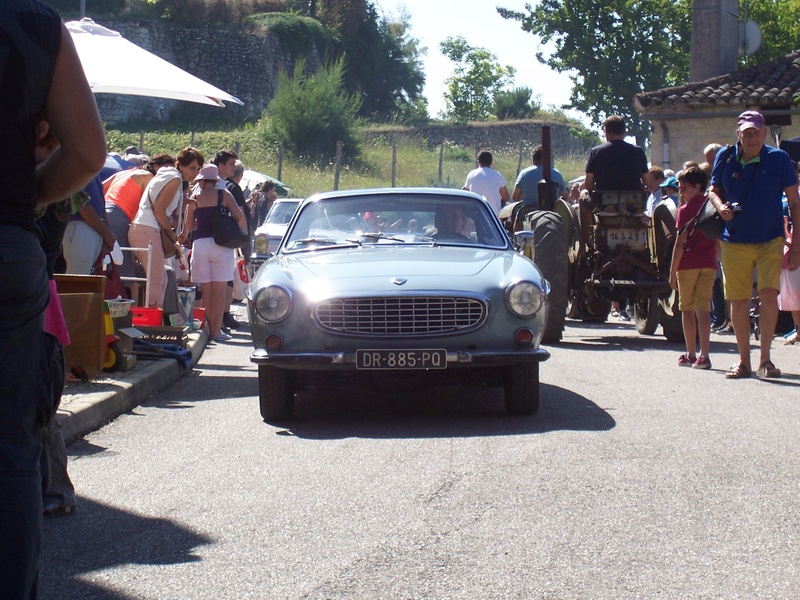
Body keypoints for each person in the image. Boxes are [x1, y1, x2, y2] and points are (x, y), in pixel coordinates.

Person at [1, 2, 106, 597]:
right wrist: (28, 196)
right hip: (7, 244)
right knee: (10, 448)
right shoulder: (34, 21)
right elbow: (89, 154)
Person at [708, 110, 800, 379]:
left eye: (756, 132)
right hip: (734, 239)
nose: (752, 138)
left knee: (769, 294)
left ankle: (766, 360)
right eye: (746, 132)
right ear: (738, 133)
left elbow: (794, 202)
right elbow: (713, 190)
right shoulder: (725, 158)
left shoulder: (779, 159)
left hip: (771, 238)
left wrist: (795, 246)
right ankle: (743, 361)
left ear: (764, 133)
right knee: (738, 300)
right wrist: (720, 206)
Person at [583, 115, 650, 321]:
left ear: (606, 131)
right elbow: (647, 181)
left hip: (606, 213)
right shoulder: (637, 152)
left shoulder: (596, 152)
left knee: (585, 200)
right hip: (634, 211)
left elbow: (588, 184)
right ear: (625, 132)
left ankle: (585, 241)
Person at [178, 164, 247, 342]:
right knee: (219, 291)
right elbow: (239, 216)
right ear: (216, 180)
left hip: (200, 244)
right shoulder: (223, 195)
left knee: (206, 291)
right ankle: (217, 331)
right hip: (221, 245)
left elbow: (188, 228)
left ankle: (207, 329)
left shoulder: (194, 198)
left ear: (201, 181)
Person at [129, 147, 203, 308]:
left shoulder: (169, 176)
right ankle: (153, 319)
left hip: (143, 228)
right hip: (148, 229)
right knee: (157, 279)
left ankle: (154, 317)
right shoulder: (175, 179)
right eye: (192, 168)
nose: (195, 173)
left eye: (198, 169)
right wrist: (171, 236)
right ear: (181, 165)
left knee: (159, 277)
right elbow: (159, 210)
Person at [669, 166, 718, 369]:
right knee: (704, 310)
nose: (680, 190)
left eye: (683, 187)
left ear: (697, 187)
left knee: (687, 310)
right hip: (709, 263)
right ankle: (704, 355)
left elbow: (680, 244)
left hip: (688, 264)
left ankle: (690, 353)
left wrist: (672, 273)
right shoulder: (711, 206)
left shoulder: (684, 211)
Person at [104, 154, 175, 278]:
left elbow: (101, 187)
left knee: (108, 262)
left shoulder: (124, 173)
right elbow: (149, 208)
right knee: (124, 269)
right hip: (120, 217)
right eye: (166, 168)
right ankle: (129, 296)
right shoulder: (151, 179)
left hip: (104, 215)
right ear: (155, 166)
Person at [61, 174, 116, 275]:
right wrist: (106, 234)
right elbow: (83, 208)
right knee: (77, 281)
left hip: (92, 229)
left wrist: (105, 237)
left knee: (81, 279)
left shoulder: (92, 171)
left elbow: (101, 207)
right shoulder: (78, 167)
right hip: (81, 228)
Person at [463, 150, 509, 215]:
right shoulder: (498, 175)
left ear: (478, 161)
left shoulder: (471, 174)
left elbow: (466, 192)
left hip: (475, 213)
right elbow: (506, 197)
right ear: (491, 162)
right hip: (493, 215)